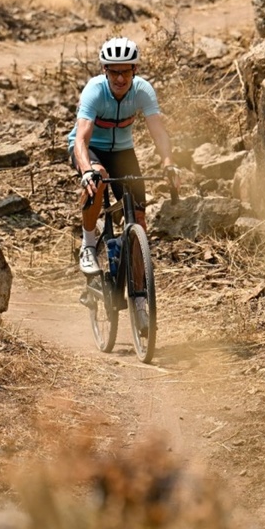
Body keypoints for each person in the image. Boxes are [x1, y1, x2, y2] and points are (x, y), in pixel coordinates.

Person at [70, 37, 177, 328]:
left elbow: (158, 131)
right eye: (114, 71)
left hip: (123, 152)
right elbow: (81, 138)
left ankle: (140, 301)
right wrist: (86, 170)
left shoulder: (143, 91)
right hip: (91, 150)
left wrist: (168, 163)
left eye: (126, 72)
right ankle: (89, 244)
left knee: (138, 221)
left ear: (135, 70)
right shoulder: (95, 90)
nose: (120, 78)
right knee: (99, 178)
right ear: (105, 70)